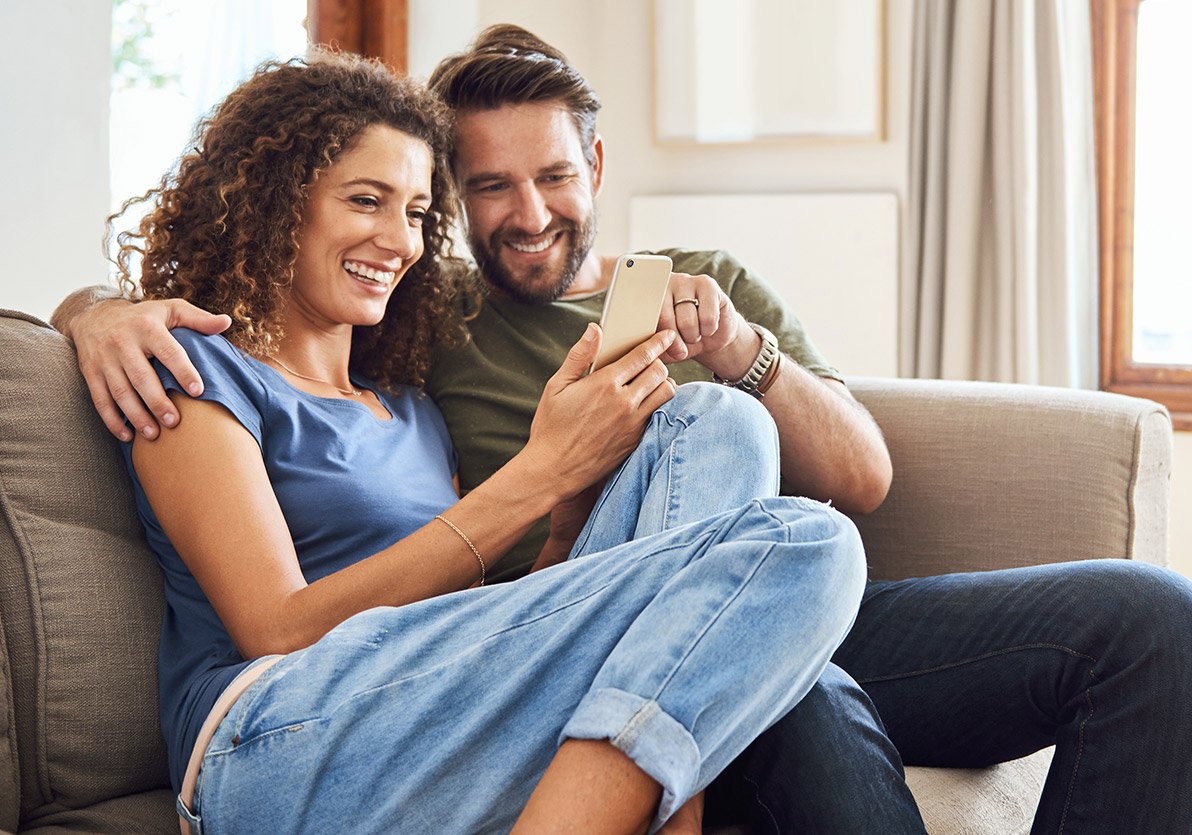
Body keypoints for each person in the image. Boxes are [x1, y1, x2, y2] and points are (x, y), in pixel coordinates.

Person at [61, 25, 1192, 834]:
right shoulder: (333, 343)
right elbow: (274, 609)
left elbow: (854, 474)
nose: (514, 216)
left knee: (1150, 615)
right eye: (469, 194)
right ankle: (692, 744)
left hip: (574, 646)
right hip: (354, 708)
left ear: (596, 168)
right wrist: (95, 313)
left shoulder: (432, 376)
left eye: (413, 210)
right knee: (789, 590)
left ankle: (708, 666)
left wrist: (725, 357)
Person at [106, 51, 867, 834]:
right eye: (366, 200)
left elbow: (483, 645)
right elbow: (277, 628)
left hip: (432, 721)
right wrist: (540, 472)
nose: (397, 241)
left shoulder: (409, 408)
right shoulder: (192, 370)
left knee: (719, 420)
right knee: (808, 543)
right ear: (278, 203)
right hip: (273, 738)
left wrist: (567, 524)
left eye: (414, 212)